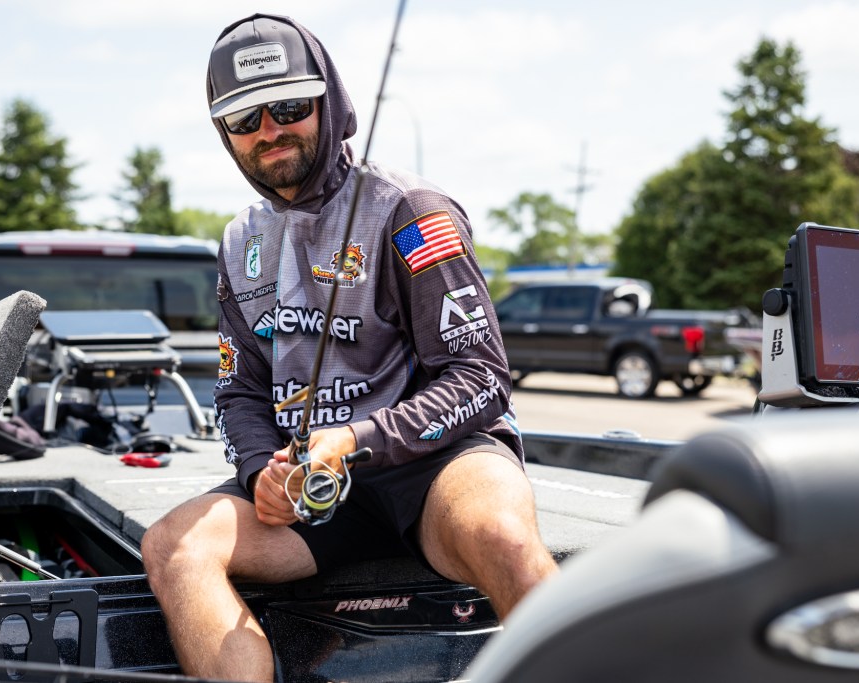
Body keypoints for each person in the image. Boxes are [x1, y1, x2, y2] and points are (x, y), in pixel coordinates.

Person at [141, 13, 559, 682]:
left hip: (436, 466)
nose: (269, 130)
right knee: (173, 547)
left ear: (329, 101)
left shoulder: (410, 211)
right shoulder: (238, 242)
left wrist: (356, 439)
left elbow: (481, 378)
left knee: (503, 537)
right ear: (224, 132)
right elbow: (239, 390)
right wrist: (260, 473)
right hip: (314, 487)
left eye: (289, 107)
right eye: (244, 118)